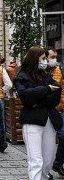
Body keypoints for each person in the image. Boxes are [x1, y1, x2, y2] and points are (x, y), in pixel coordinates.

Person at [14, 46, 62, 180]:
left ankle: (44, 177)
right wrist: (46, 89)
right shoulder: (22, 77)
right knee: (36, 160)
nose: (45, 61)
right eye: (43, 58)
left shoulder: (46, 75)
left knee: (48, 159)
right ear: (35, 59)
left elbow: (57, 93)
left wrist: (38, 97)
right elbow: (26, 97)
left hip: (49, 120)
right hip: (32, 121)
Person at [45, 48, 64, 177]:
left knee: (62, 136)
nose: (54, 60)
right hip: (45, 111)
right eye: (52, 57)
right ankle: (45, 170)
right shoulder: (39, 72)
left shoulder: (57, 71)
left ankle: (57, 163)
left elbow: (59, 90)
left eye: (55, 57)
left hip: (58, 109)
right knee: (46, 141)